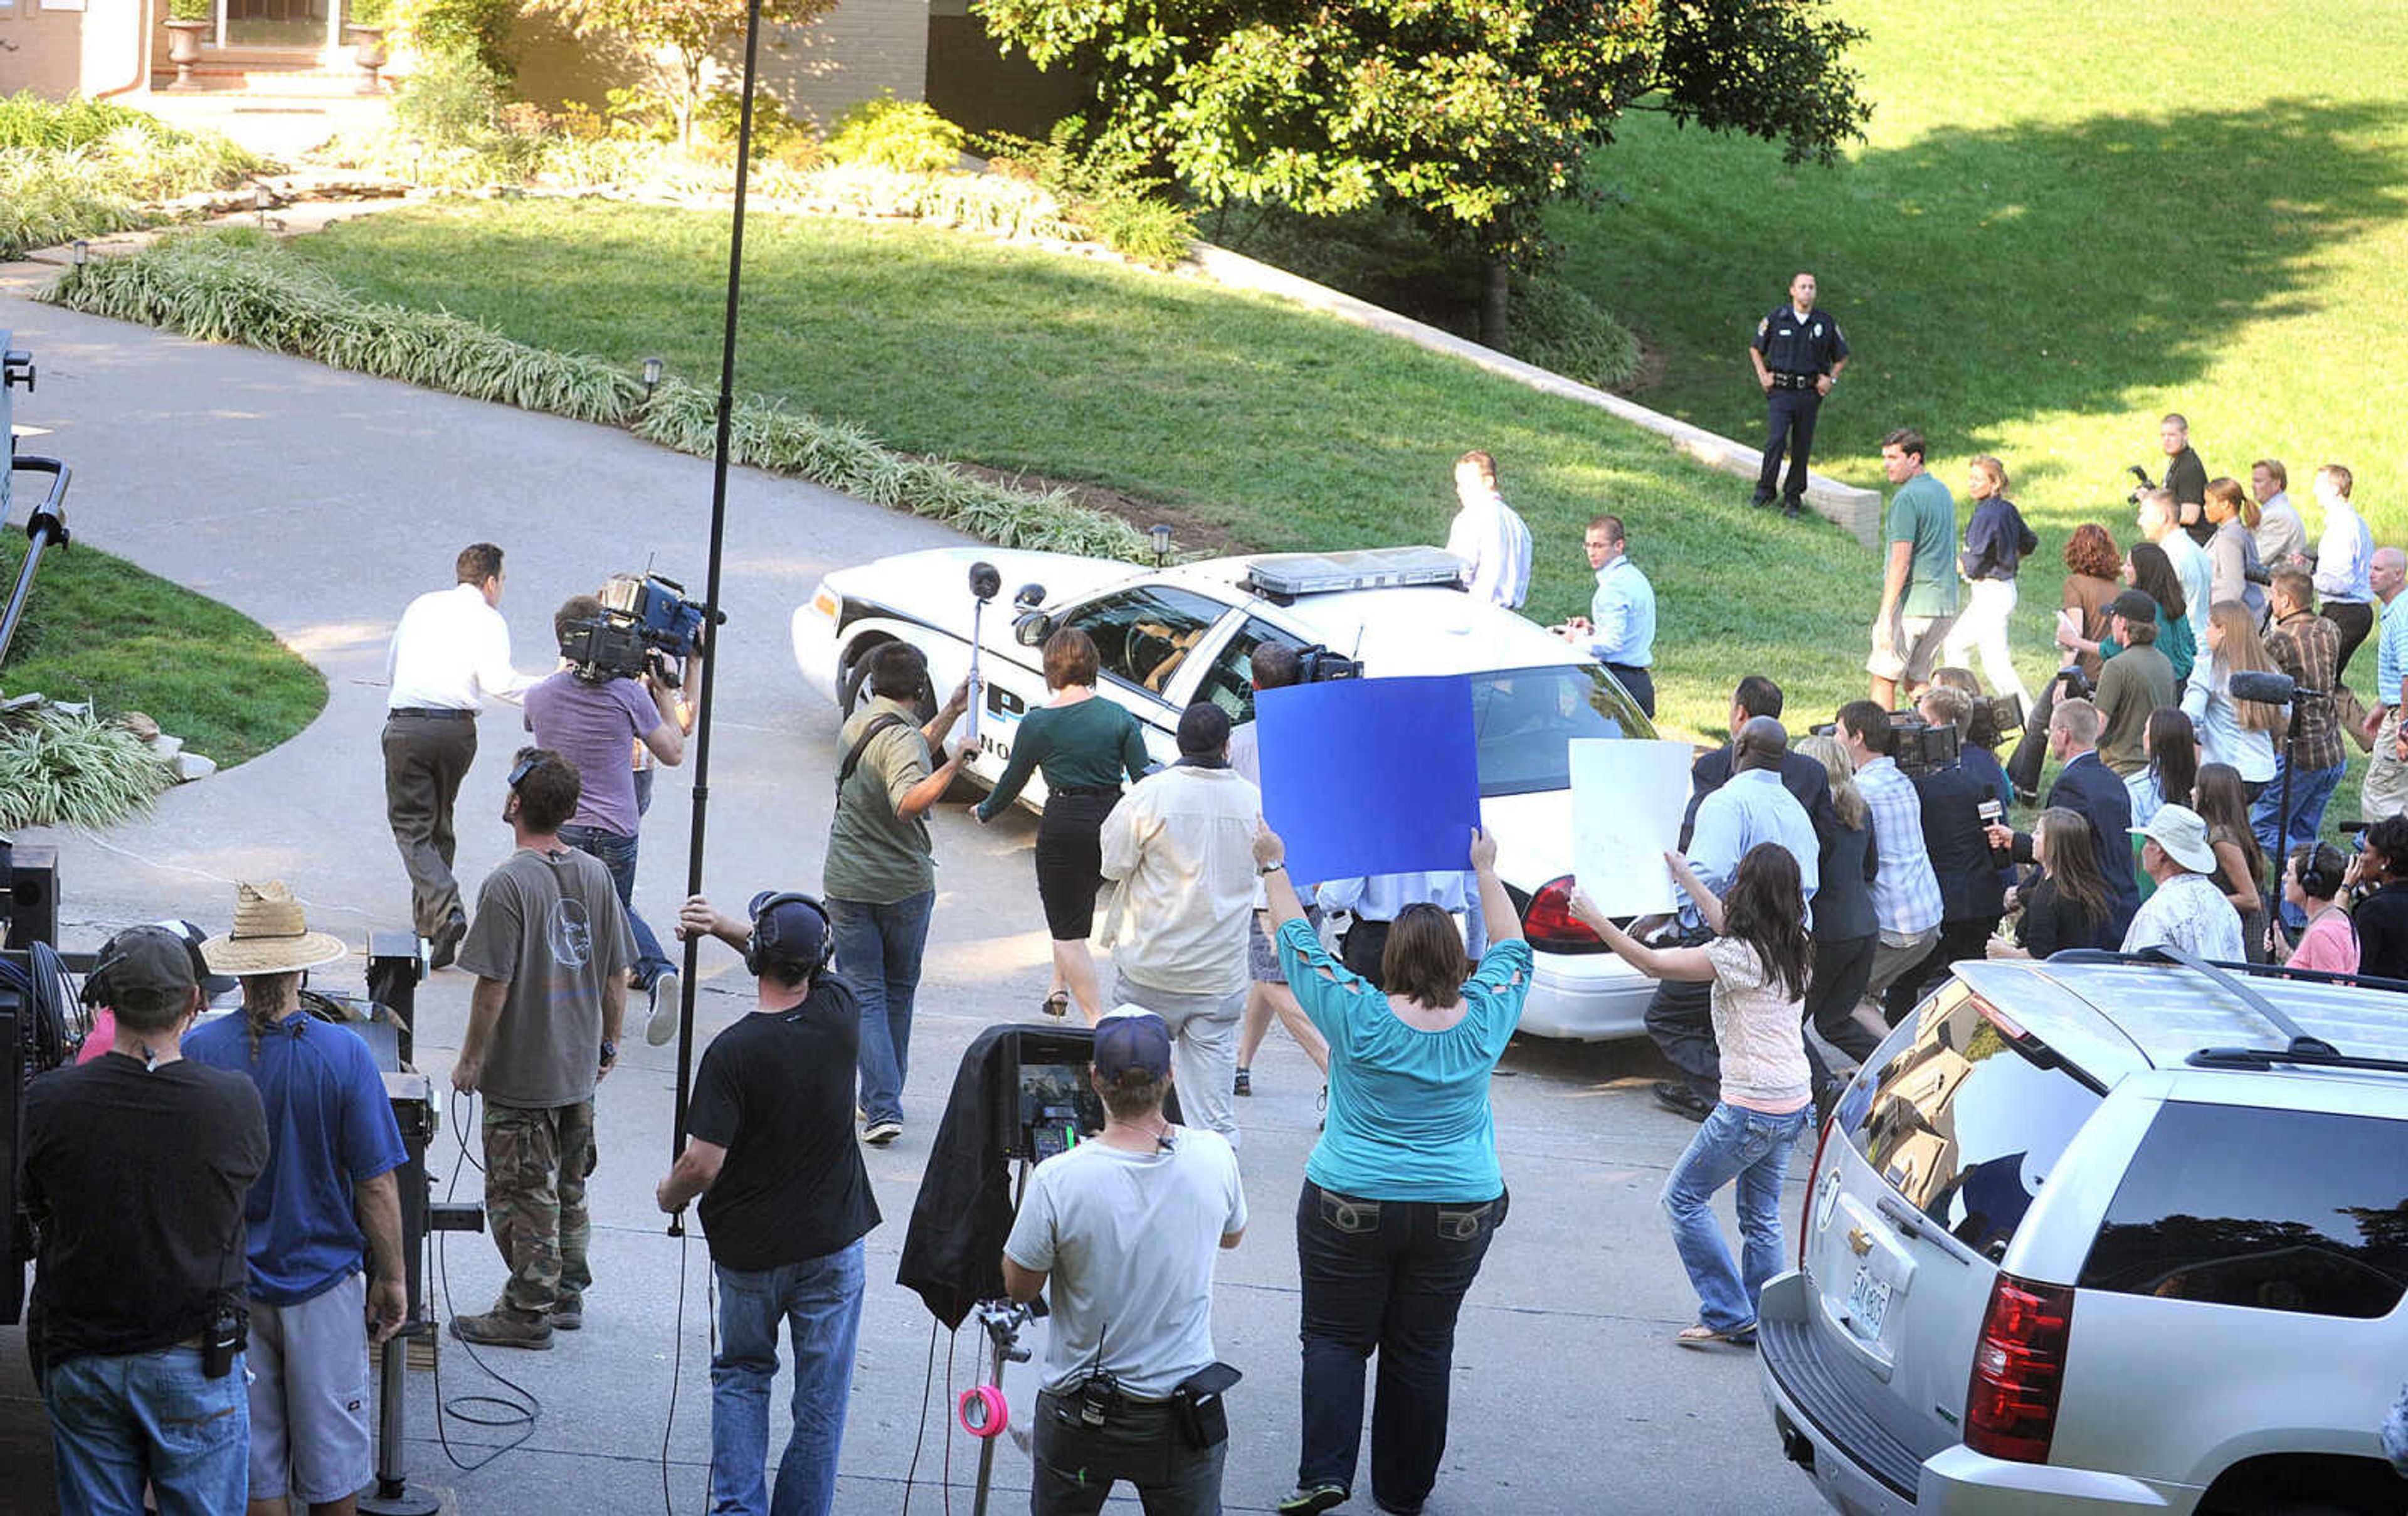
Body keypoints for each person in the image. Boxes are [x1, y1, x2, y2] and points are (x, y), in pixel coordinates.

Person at [1257, 824, 1524, 1516]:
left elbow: (1297, 941)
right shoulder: (1489, 1013)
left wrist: (1273, 863)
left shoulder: (1358, 1014)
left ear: (1394, 958)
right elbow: (1514, 944)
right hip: (1461, 1207)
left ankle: (1324, 1472)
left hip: (1350, 1195)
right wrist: (1485, 869)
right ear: (1458, 959)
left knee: (1336, 1337)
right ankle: (1405, 1489)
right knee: (1423, 1345)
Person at [22, 925, 269, 1513]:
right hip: (196, 1357)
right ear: (194, 1000)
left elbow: (34, 1202)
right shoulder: (232, 1101)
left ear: (104, 999)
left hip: (84, 1353)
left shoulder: (52, 1100)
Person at [184, 884, 409, 1516]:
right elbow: (376, 1182)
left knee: (257, 1478)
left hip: (231, 1288)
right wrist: (391, 1276)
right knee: (333, 1476)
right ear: (300, 966)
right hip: (323, 1287)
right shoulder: (344, 1053)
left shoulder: (201, 1051)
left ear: (241, 968)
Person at [656, 891, 882, 1516]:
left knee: (743, 1374)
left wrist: (666, 1194)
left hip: (753, 1253)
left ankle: (740, 1508)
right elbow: (802, 959)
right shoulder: (841, 1010)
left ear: (757, 956)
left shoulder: (734, 1051)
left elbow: (702, 1162)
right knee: (821, 1400)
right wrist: (732, 927)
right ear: (817, 962)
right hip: (834, 1244)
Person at [1001, 1010, 1247, 1516]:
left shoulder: (1059, 1178)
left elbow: (1020, 1287)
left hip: (1080, 1415)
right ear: (1170, 1076)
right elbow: (1233, 1234)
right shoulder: (1214, 1154)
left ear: (1095, 1079)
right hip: (1179, 1415)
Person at [1573, 844, 1812, 1346]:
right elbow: (1729, 922)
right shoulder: (1796, 942)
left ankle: (1727, 1311)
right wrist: (1684, 875)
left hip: (1751, 1106)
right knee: (1762, 1215)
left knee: (1683, 1198)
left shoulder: (1737, 956)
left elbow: (1651, 962)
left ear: (1748, 891)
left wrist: (1596, 919)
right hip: (1794, 1100)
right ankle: (1757, 1318)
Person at [449, 747, 635, 1349]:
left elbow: (493, 984)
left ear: (515, 803)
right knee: (569, 1185)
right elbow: (616, 973)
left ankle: (529, 1308)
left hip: (523, 1073)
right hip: (577, 1065)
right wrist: (609, 1040)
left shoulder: (507, 884)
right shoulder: (595, 873)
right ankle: (567, 1291)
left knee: (520, 1193)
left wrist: (471, 1059)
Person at [825, 641, 973, 1147]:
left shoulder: (862, 724)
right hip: (899, 886)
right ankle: (885, 1103)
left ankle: (875, 1100)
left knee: (863, 989)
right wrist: (954, 765)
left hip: (846, 881)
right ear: (919, 687)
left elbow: (907, 749)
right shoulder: (902, 740)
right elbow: (908, 798)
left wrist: (952, 713)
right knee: (894, 991)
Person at [525, 594, 687, 1046]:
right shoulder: (628, 695)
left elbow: (531, 721)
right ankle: (658, 974)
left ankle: (566, 1010)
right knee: (614, 909)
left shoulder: (541, 694)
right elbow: (673, 752)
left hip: (565, 824)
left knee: (567, 916)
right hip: (618, 826)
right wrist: (665, 695)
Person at [1099, 702, 1261, 1143]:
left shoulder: (1151, 794)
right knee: (1214, 1116)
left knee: (1130, 1095)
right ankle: (1220, 1191)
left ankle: (1133, 1158)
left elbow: (1113, 864)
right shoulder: (1253, 801)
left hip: (1151, 965)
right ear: (1227, 747)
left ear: (1178, 743)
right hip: (1218, 975)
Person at [973, 627, 1151, 1024]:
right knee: (1071, 911)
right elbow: (1144, 778)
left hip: (1064, 825)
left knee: (1067, 928)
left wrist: (985, 810)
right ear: (1092, 665)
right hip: (1111, 822)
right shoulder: (1118, 716)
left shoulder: (1039, 724)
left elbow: (1012, 782)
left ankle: (1097, 1023)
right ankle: (1058, 988)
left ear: (1050, 668)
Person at [1650, 714, 1820, 1121]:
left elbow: (1708, 869)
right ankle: (1796, 1096)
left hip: (1742, 940)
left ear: (1739, 748)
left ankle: (1722, 1096)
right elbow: (1810, 883)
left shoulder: (1727, 802)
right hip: (1793, 941)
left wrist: (1661, 905)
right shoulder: (1795, 810)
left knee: (1666, 1016)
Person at [382, 543, 537, 967]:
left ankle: (445, 908)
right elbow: (499, 682)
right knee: (438, 822)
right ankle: (432, 930)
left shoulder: (420, 607)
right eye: (503, 580)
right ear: (490, 581)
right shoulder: (489, 619)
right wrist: (548, 690)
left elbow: (392, 666)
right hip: (457, 730)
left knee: (411, 826)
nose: (502, 589)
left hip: (408, 724)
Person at [1228, 642, 1332, 1096]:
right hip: (1310, 878)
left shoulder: (1241, 739)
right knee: (1271, 970)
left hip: (1263, 886)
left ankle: (1336, 1072)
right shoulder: (1320, 734)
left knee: (1271, 979)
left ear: (1254, 684)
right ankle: (1242, 1063)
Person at [1985, 698, 2140, 943]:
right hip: (2122, 910)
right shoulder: (2113, 780)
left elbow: (2060, 853)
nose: (2049, 738)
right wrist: (2015, 841)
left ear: (2064, 734)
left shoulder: (2071, 785)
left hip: (2091, 919)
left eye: (2050, 731)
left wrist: (2023, 894)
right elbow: (2092, 843)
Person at [1896, 686, 2007, 1012]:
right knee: (1971, 987)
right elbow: (1998, 843)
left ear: (1937, 728)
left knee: (1907, 982)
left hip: (1940, 905)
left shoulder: (1918, 789)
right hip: (1983, 899)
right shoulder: (1980, 782)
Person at [1834, 701, 1943, 1020]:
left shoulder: (1860, 792)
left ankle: (1900, 1063)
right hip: (1929, 916)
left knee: (1847, 1000)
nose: (1835, 741)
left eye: (1839, 733)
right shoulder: (1901, 781)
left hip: (1898, 928)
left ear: (1858, 737)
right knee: (1867, 996)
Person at [2007, 522, 2123, 799]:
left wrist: (2064, 677)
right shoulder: (2116, 588)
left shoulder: (2075, 584)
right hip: (2106, 674)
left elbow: (2074, 633)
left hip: (2081, 672)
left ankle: (2026, 786)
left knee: (2039, 721)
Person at [1794, 734, 1881, 1103]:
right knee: (1834, 1021)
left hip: (1827, 934)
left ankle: (1823, 1086)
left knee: (1787, 1021)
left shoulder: (1812, 818)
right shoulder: (1861, 810)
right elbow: (1870, 869)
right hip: (1865, 928)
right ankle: (1891, 1069)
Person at [2259, 569, 2348, 900]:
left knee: (2265, 828)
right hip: (2332, 749)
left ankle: (2329, 869)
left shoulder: (2279, 639)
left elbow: (2261, 675)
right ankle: (2300, 910)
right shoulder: (2330, 628)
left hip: (2301, 752)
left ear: (2285, 600)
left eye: (2273, 597)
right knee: (2302, 832)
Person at [1679, 677, 1835, 844]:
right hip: (1795, 867)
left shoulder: (1713, 766)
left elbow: (1696, 831)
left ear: (1740, 713)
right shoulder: (1812, 772)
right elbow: (1825, 839)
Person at [1867, 428, 1959, 708]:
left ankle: (1881, 749)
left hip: (1913, 605)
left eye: (1894, 458)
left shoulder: (1906, 499)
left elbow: (1901, 561)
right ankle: (1943, 737)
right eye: (1885, 457)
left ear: (1915, 458)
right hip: (1944, 606)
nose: (1887, 464)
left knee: (1884, 678)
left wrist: (1885, 615)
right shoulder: (1942, 491)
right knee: (1917, 681)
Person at [1941, 456, 2038, 713]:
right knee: (1957, 645)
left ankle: (2029, 719)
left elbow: (1970, 564)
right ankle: (1968, 706)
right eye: (1970, 478)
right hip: (2003, 589)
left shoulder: (1986, 515)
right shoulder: (2007, 509)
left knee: (1994, 663)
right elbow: (2029, 543)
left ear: (1994, 483)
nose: (1971, 484)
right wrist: (2007, 561)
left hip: (1991, 593)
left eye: (1978, 479)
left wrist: (1938, 564)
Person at [1748, 272, 1849, 517]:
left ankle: (1793, 498)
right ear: (1792, 290)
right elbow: (1755, 347)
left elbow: (1842, 355)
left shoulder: (1824, 323)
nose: (1807, 291)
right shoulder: (1777, 318)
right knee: (1776, 440)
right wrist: (1763, 375)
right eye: (1803, 287)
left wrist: (1831, 379)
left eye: (1812, 287)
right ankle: (1765, 490)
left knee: (1802, 445)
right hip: (1781, 391)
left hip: (1809, 393)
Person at [1555, 514, 1657, 716]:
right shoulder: (1634, 577)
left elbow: (1612, 643)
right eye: (1588, 546)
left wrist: (1574, 640)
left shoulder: (1613, 588)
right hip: (1639, 684)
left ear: (1619, 546)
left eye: (1599, 546)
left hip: (1617, 683)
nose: (1592, 553)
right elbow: (1625, 630)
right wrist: (1592, 630)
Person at [2061, 539, 2194, 686]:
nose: (2123, 569)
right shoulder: (2176, 604)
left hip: (2156, 685)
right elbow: (2192, 646)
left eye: (2129, 565)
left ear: (2144, 571)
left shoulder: (2142, 609)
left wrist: (2073, 641)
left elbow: (2111, 648)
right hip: (2184, 684)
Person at [2182, 601, 2281, 796]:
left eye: (2210, 625)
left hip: (2224, 773)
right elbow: (2285, 713)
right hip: (2261, 771)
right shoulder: (2269, 668)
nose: (2206, 631)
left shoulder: (2208, 668)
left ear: (2223, 631)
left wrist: (2198, 736)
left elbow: (2189, 716)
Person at [2121, 805, 2245, 959]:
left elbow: (2136, 973)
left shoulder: (2158, 911)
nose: (2143, 850)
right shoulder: (2221, 902)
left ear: (2160, 851)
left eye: (2148, 841)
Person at [1995, 808, 2116, 958]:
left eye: (2038, 832)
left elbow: (2039, 956)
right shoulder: (2079, 886)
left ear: (2054, 844)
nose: (2032, 837)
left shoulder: (2048, 898)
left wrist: (2004, 952)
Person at [2091, 590, 2178, 776]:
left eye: (2113, 617)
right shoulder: (2165, 664)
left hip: (2121, 770)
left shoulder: (2116, 667)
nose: (2110, 623)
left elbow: (2097, 728)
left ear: (2123, 623)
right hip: (2156, 772)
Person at [2194, 763, 2271, 963]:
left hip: (2243, 938)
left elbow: (2250, 899)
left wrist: (2202, 903)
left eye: (2198, 788)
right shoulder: (2232, 829)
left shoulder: (2222, 838)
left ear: (2209, 796)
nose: (2192, 792)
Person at [1444, 450, 1532, 610]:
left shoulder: (1471, 517)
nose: (1460, 490)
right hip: (1510, 618)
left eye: (1467, 482)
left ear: (1488, 481)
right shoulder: (1518, 524)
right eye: (1459, 483)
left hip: (1472, 614)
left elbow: (1457, 572)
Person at [2311, 464, 2376, 680]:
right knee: (2326, 679)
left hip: (2346, 611)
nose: (2314, 491)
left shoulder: (2343, 525)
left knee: (2320, 679)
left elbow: (2340, 583)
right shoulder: (2351, 521)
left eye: (2319, 485)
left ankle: (2356, 716)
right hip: (2348, 611)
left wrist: (2307, 579)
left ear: (2335, 489)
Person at [2360, 548, 2408, 824]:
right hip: (2395, 708)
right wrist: (2382, 703)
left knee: (2382, 798)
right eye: (2370, 567)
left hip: (2402, 718)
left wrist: (2404, 727)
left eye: (2378, 570)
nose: (2370, 574)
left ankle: (2384, 862)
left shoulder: (2402, 614)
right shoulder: (2395, 607)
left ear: (2398, 574)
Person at [2136, 487, 2213, 647]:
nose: (2139, 521)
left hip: (2181, 650)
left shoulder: (2168, 557)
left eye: (2144, 514)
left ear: (2163, 517)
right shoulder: (2196, 549)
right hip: (2202, 643)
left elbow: (2157, 611)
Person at [2282, 843, 2358, 974]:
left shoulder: (2322, 934)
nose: (2284, 878)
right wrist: (2283, 951)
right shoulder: (2333, 919)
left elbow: (2329, 991)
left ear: (2309, 884)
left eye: (2289, 873)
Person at [2348, 817, 2408, 980]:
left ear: (2386, 861)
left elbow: (2352, 968)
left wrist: (2343, 892)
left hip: (2382, 1001)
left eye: (2366, 852)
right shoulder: (2378, 903)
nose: (2360, 858)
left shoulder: (2373, 911)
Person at [2201, 477, 2268, 622]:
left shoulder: (2230, 537)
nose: (2204, 508)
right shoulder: (2236, 531)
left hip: (2233, 622)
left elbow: (2233, 587)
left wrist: (2214, 618)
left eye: (2208, 503)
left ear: (2225, 504)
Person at [2126, 707, 2199, 831]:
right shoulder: (2201, 786)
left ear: (2155, 739)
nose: (2143, 736)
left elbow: (2135, 839)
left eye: (2146, 730)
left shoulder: (2136, 787)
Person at [2158, 413, 2210, 544]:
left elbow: (2191, 515)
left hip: (2195, 542)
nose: (2166, 440)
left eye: (2172, 435)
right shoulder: (2178, 460)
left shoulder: (2189, 467)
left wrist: (2158, 511)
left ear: (2185, 435)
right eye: (2163, 436)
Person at [2252, 459, 2309, 572]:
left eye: (2258, 481)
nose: (2253, 486)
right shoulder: (2274, 511)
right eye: (2253, 481)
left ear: (2276, 484)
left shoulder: (2278, 516)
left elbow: (2257, 558)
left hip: (2271, 587)